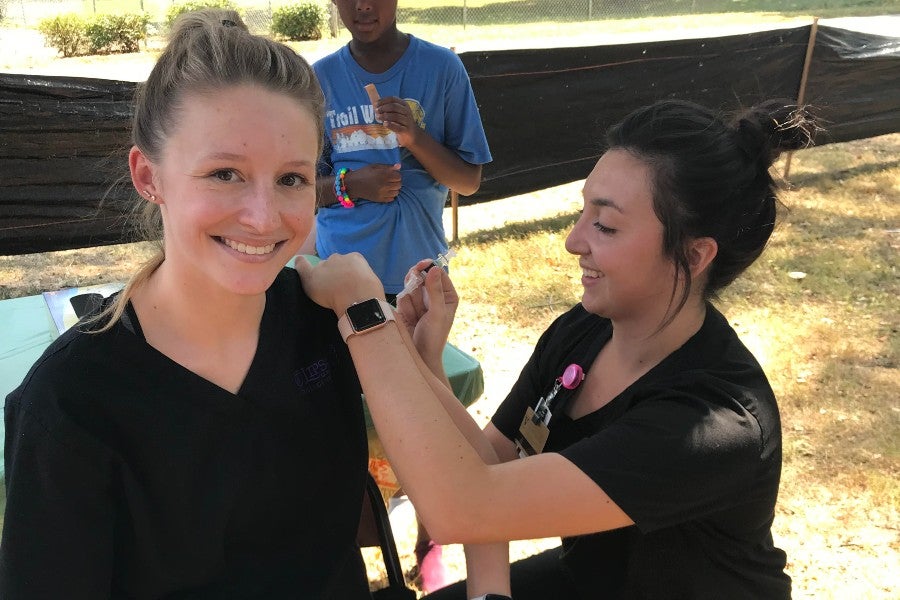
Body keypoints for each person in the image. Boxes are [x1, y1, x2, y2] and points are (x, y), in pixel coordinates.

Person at [297, 98, 817, 599]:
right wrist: (423, 360)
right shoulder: (585, 331)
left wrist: (365, 317)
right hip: (592, 581)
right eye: (583, 211)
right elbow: (489, 466)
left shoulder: (710, 421)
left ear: (694, 254)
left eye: (606, 225)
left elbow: (463, 509)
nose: (573, 241)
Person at [1, 10, 375, 598]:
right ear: (148, 176)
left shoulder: (326, 328)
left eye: (292, 179)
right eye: (225, 173)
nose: (263, 216)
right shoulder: (71, 405)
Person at [305, 0, 492, 589]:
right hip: (337, 279)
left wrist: (414, 138)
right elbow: (298, 185)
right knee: (340, 425)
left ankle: (428, 542)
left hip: (412, 278)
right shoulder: (320, 79)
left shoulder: (440, 70)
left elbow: (467, 179)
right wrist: (347, 184)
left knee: (425, 418)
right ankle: (350, 551)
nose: (363, 7)